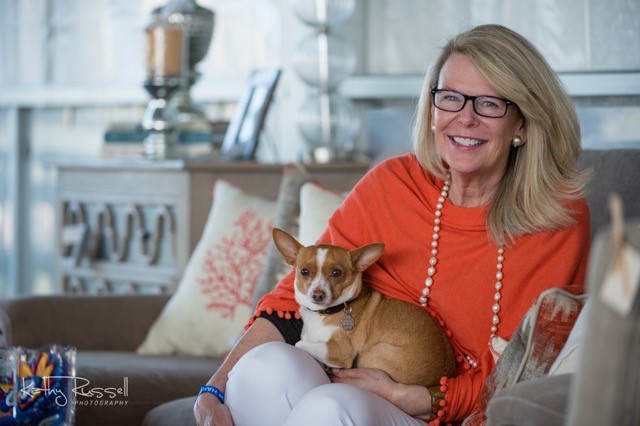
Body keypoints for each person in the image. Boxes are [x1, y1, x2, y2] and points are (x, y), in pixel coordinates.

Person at [194, 24, 590, 425]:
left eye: (489, 104)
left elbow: (531, 367)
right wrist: (215, 388)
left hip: (444, 412)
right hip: (347, 381)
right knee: (263, 370)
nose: (465, 118)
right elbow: (290, 301)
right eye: (450, 98)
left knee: (331, 407)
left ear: (522, 123)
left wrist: (417, 398)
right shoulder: (393, 183)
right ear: (433, 110)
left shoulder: (557, 218)